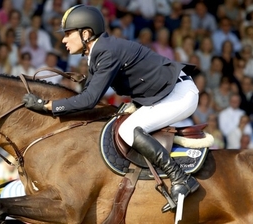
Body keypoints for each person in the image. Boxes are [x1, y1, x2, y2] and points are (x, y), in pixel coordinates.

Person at [22, 5, 199, 212]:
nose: (63, 40)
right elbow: (87, 97)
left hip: (179, 94)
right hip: (164, 94)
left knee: (128, 130)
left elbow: (88, 100)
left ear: (86, 33)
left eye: (68, 34)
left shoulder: (106, 51)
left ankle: (181, 178)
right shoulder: (97, 53)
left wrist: (47, 105)